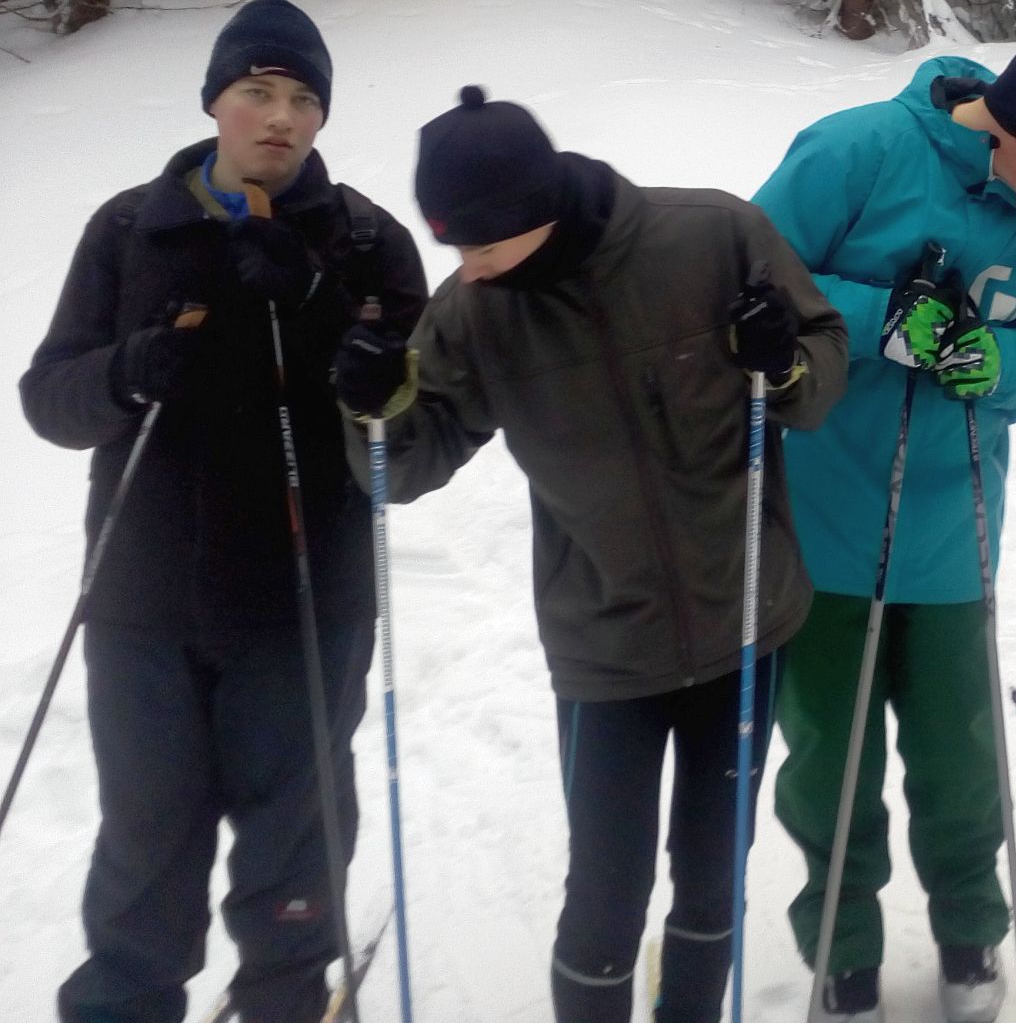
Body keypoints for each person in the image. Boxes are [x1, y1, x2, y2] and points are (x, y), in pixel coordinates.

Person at [331, 86, 847, 1023]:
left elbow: (817, 370)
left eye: (479, 245)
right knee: (606, 895)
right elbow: (401, 467)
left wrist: (784, 361)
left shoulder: (712, 236)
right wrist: (374, 405)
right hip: (603, 643)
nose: (467, 268)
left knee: (711, 877)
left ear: (538, 212)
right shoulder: (475, 311)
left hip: (743, 620)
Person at [19, 0, 429, 1023]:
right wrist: (127, 370)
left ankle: (286, 998)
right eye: (257, 91)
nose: (281, 117)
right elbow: (49, 399)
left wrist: (321, 307)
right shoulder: (129, 230)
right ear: (215, 100)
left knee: (295, 837)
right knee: (145, 837)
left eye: (303, 99)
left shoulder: (366, 240)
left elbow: (415, 418)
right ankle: (125, 1002)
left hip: (304, 600)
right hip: (143, 601)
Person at [751, 31, 1016, 1022]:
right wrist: (886, 319)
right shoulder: (860, 150)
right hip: (825, 525)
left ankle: (970, 934)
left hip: (954, 531)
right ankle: (843, 952)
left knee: (961, 763)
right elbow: (746, 283)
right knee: (832, 763)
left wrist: (995, 362)